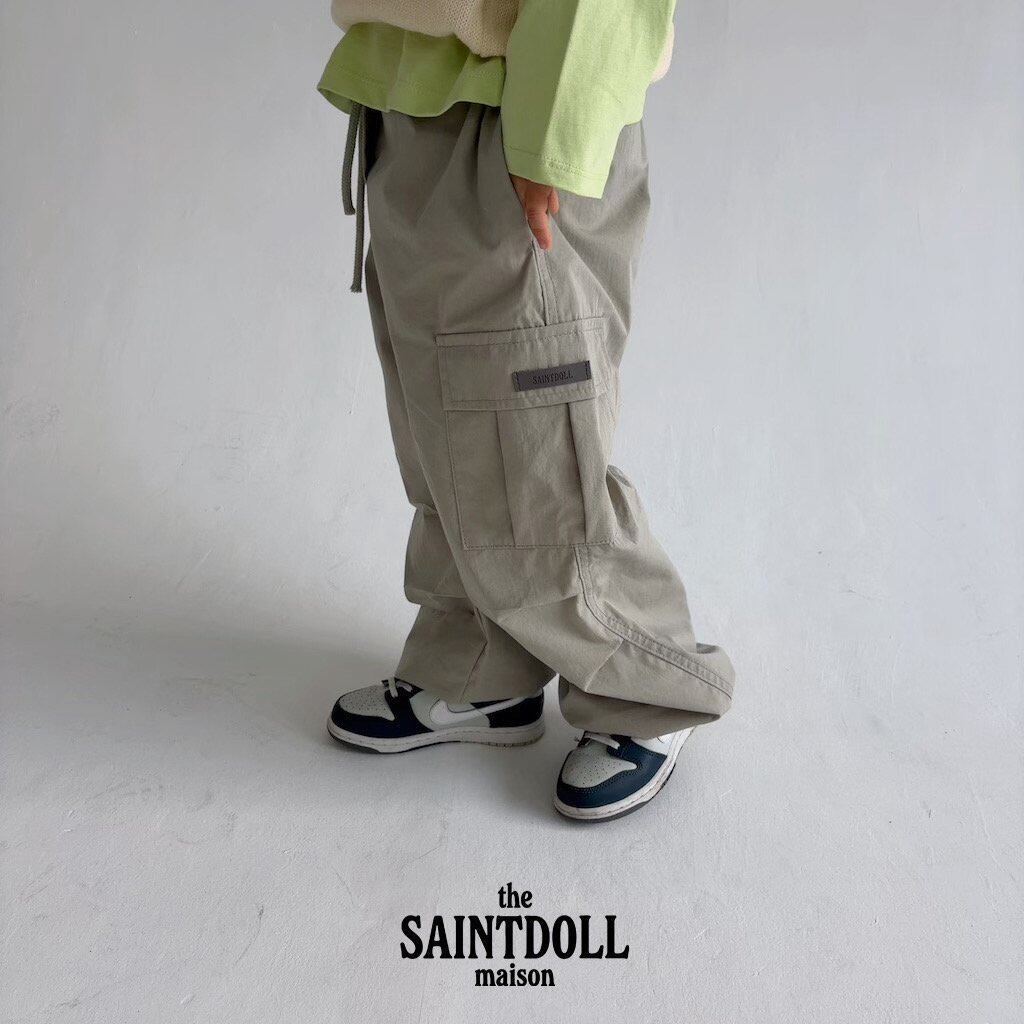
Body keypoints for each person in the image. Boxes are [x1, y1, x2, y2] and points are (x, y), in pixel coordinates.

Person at [318, 0, 735, 821]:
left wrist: (554, 133)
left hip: (517, 109)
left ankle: (648, 690)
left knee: (530, 442)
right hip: (418, 89)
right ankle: (480, 669)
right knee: (448, 432)